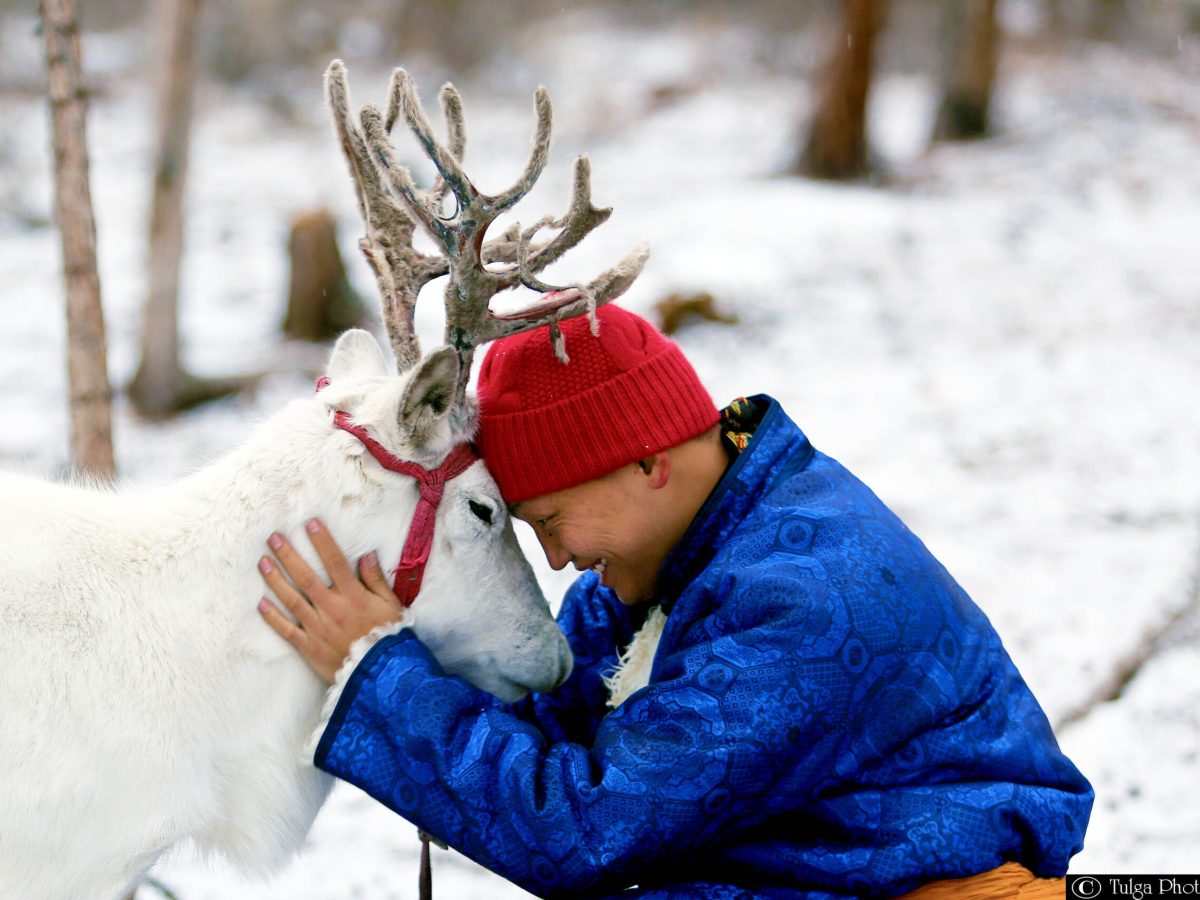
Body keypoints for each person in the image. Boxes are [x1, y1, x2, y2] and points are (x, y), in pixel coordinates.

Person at [257, 304, 1093, 899]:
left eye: (551, 520)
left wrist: (378, 682)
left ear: (647, 463)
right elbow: (557, 723)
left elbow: (583, 830)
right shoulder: (674, 556)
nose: (557, 558)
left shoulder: (800, 599)